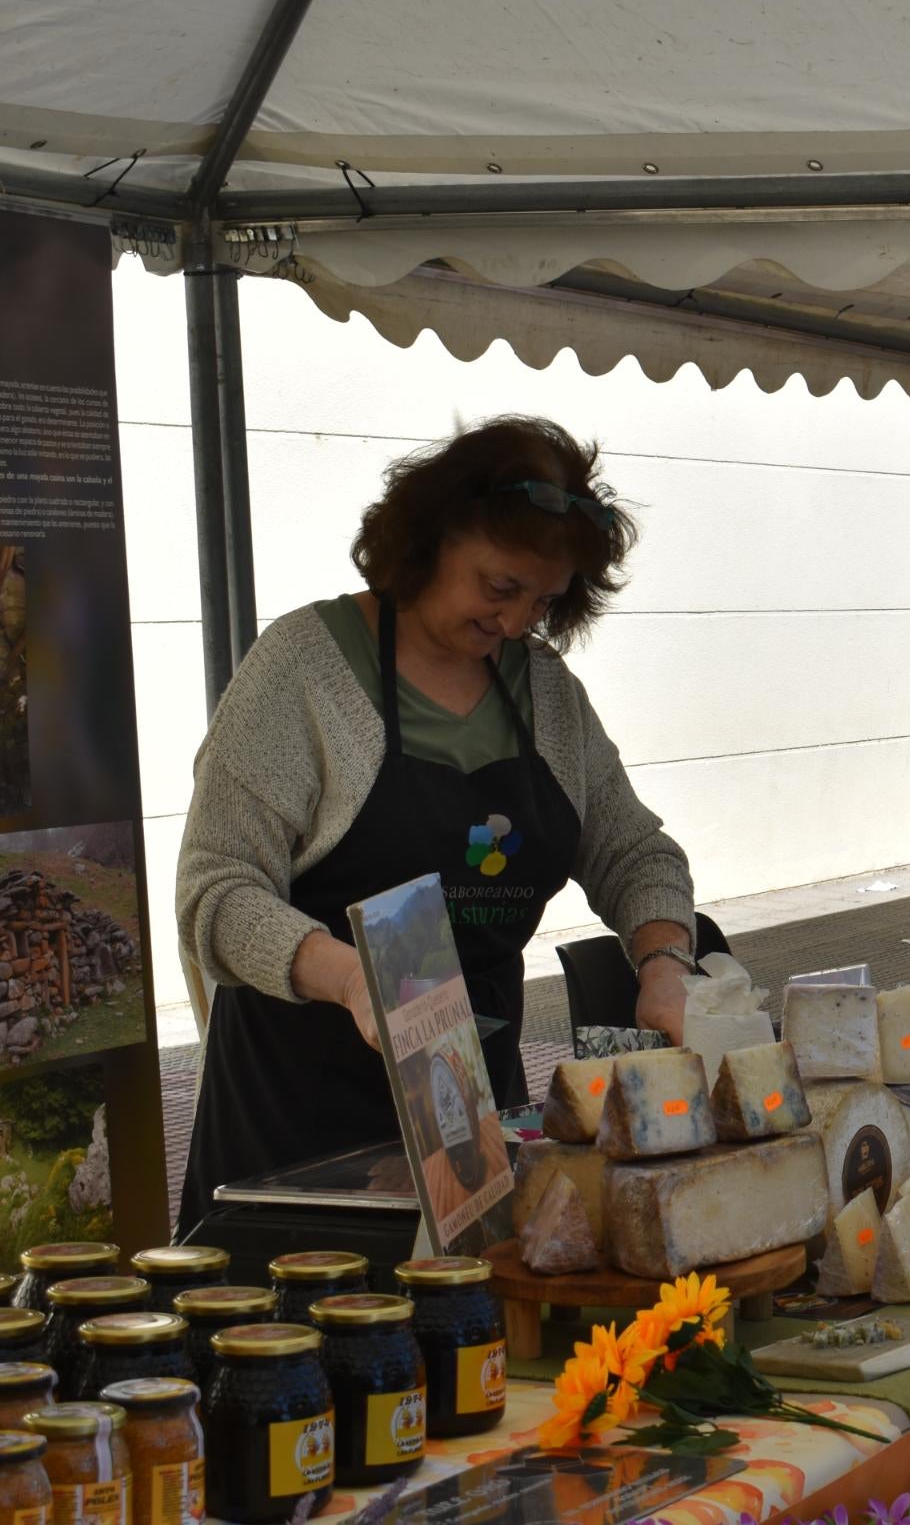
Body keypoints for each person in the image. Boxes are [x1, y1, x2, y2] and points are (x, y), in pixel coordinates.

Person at [176, 416, 696, 1234]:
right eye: (500, 588)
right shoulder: (302, 670)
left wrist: (664, 959)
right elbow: (216, 896)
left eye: (545, 600)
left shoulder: (547, 696)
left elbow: (634, 850)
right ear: (430, 539)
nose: (519, 622)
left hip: (465, 1121)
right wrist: (353, 980)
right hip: (295, 1129)